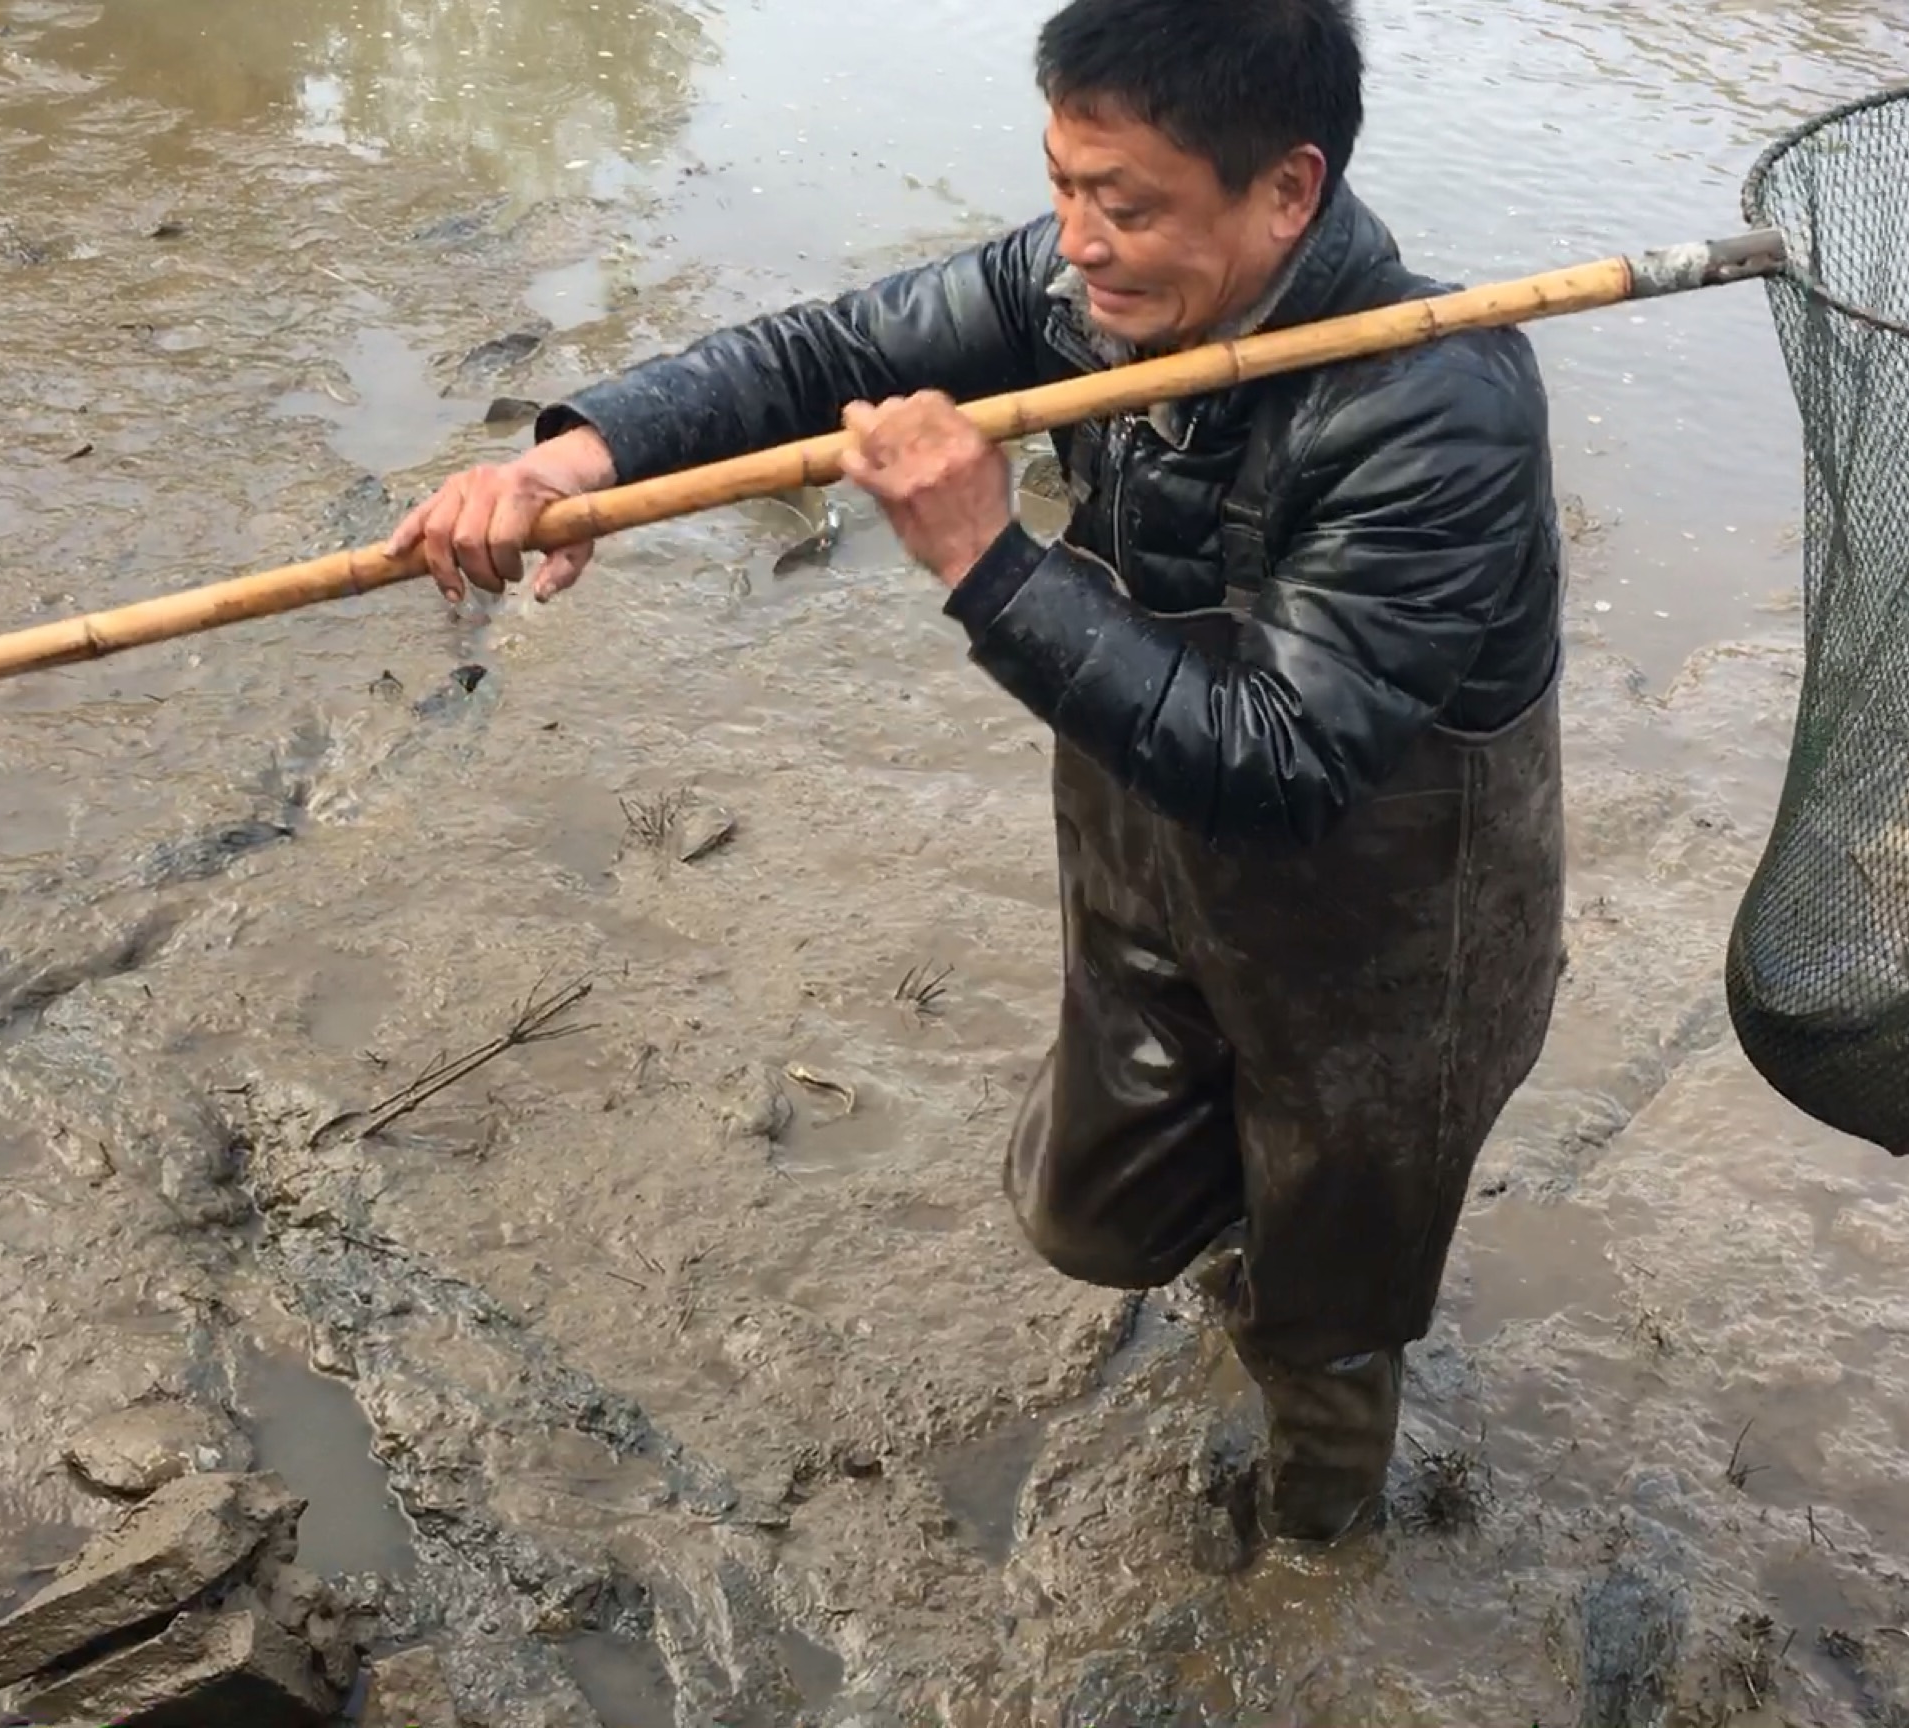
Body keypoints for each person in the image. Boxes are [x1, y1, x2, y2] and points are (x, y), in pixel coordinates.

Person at [389, 0, 1565, 1557]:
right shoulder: (1085, 286)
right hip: (1155, 860)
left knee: (1328, 1309)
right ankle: (1252, 1238)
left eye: (1124, 203)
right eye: (1064, 187)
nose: (1075, 241)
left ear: (1285, 189)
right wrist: (577, 461)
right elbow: (828, 354)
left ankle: (1311, 1536)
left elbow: (1286, 764)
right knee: (1091, 1208)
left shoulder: (1436, 407)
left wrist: (986, 560)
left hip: (1386, 942)